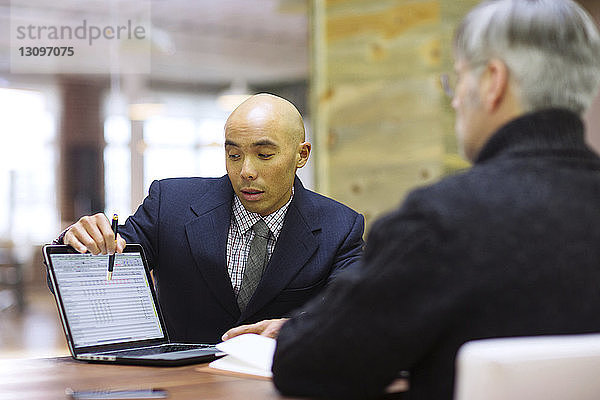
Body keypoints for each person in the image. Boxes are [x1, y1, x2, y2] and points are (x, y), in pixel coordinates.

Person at [267, 1, 600, 399]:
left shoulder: (443, 220)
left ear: (493, 81)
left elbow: (306, 364)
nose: (456, 99)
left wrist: (306, 325)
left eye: (457, 80)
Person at [51, 93, 364, 344]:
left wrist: (300, 328)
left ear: (302, 155)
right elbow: (96, 270)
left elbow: (354, 310)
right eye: (234, 154)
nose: (246, 171)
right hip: (180, 386)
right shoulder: (170, 204)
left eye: (264, 155)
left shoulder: (339, 226)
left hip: (279, 385)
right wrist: (77, 243)